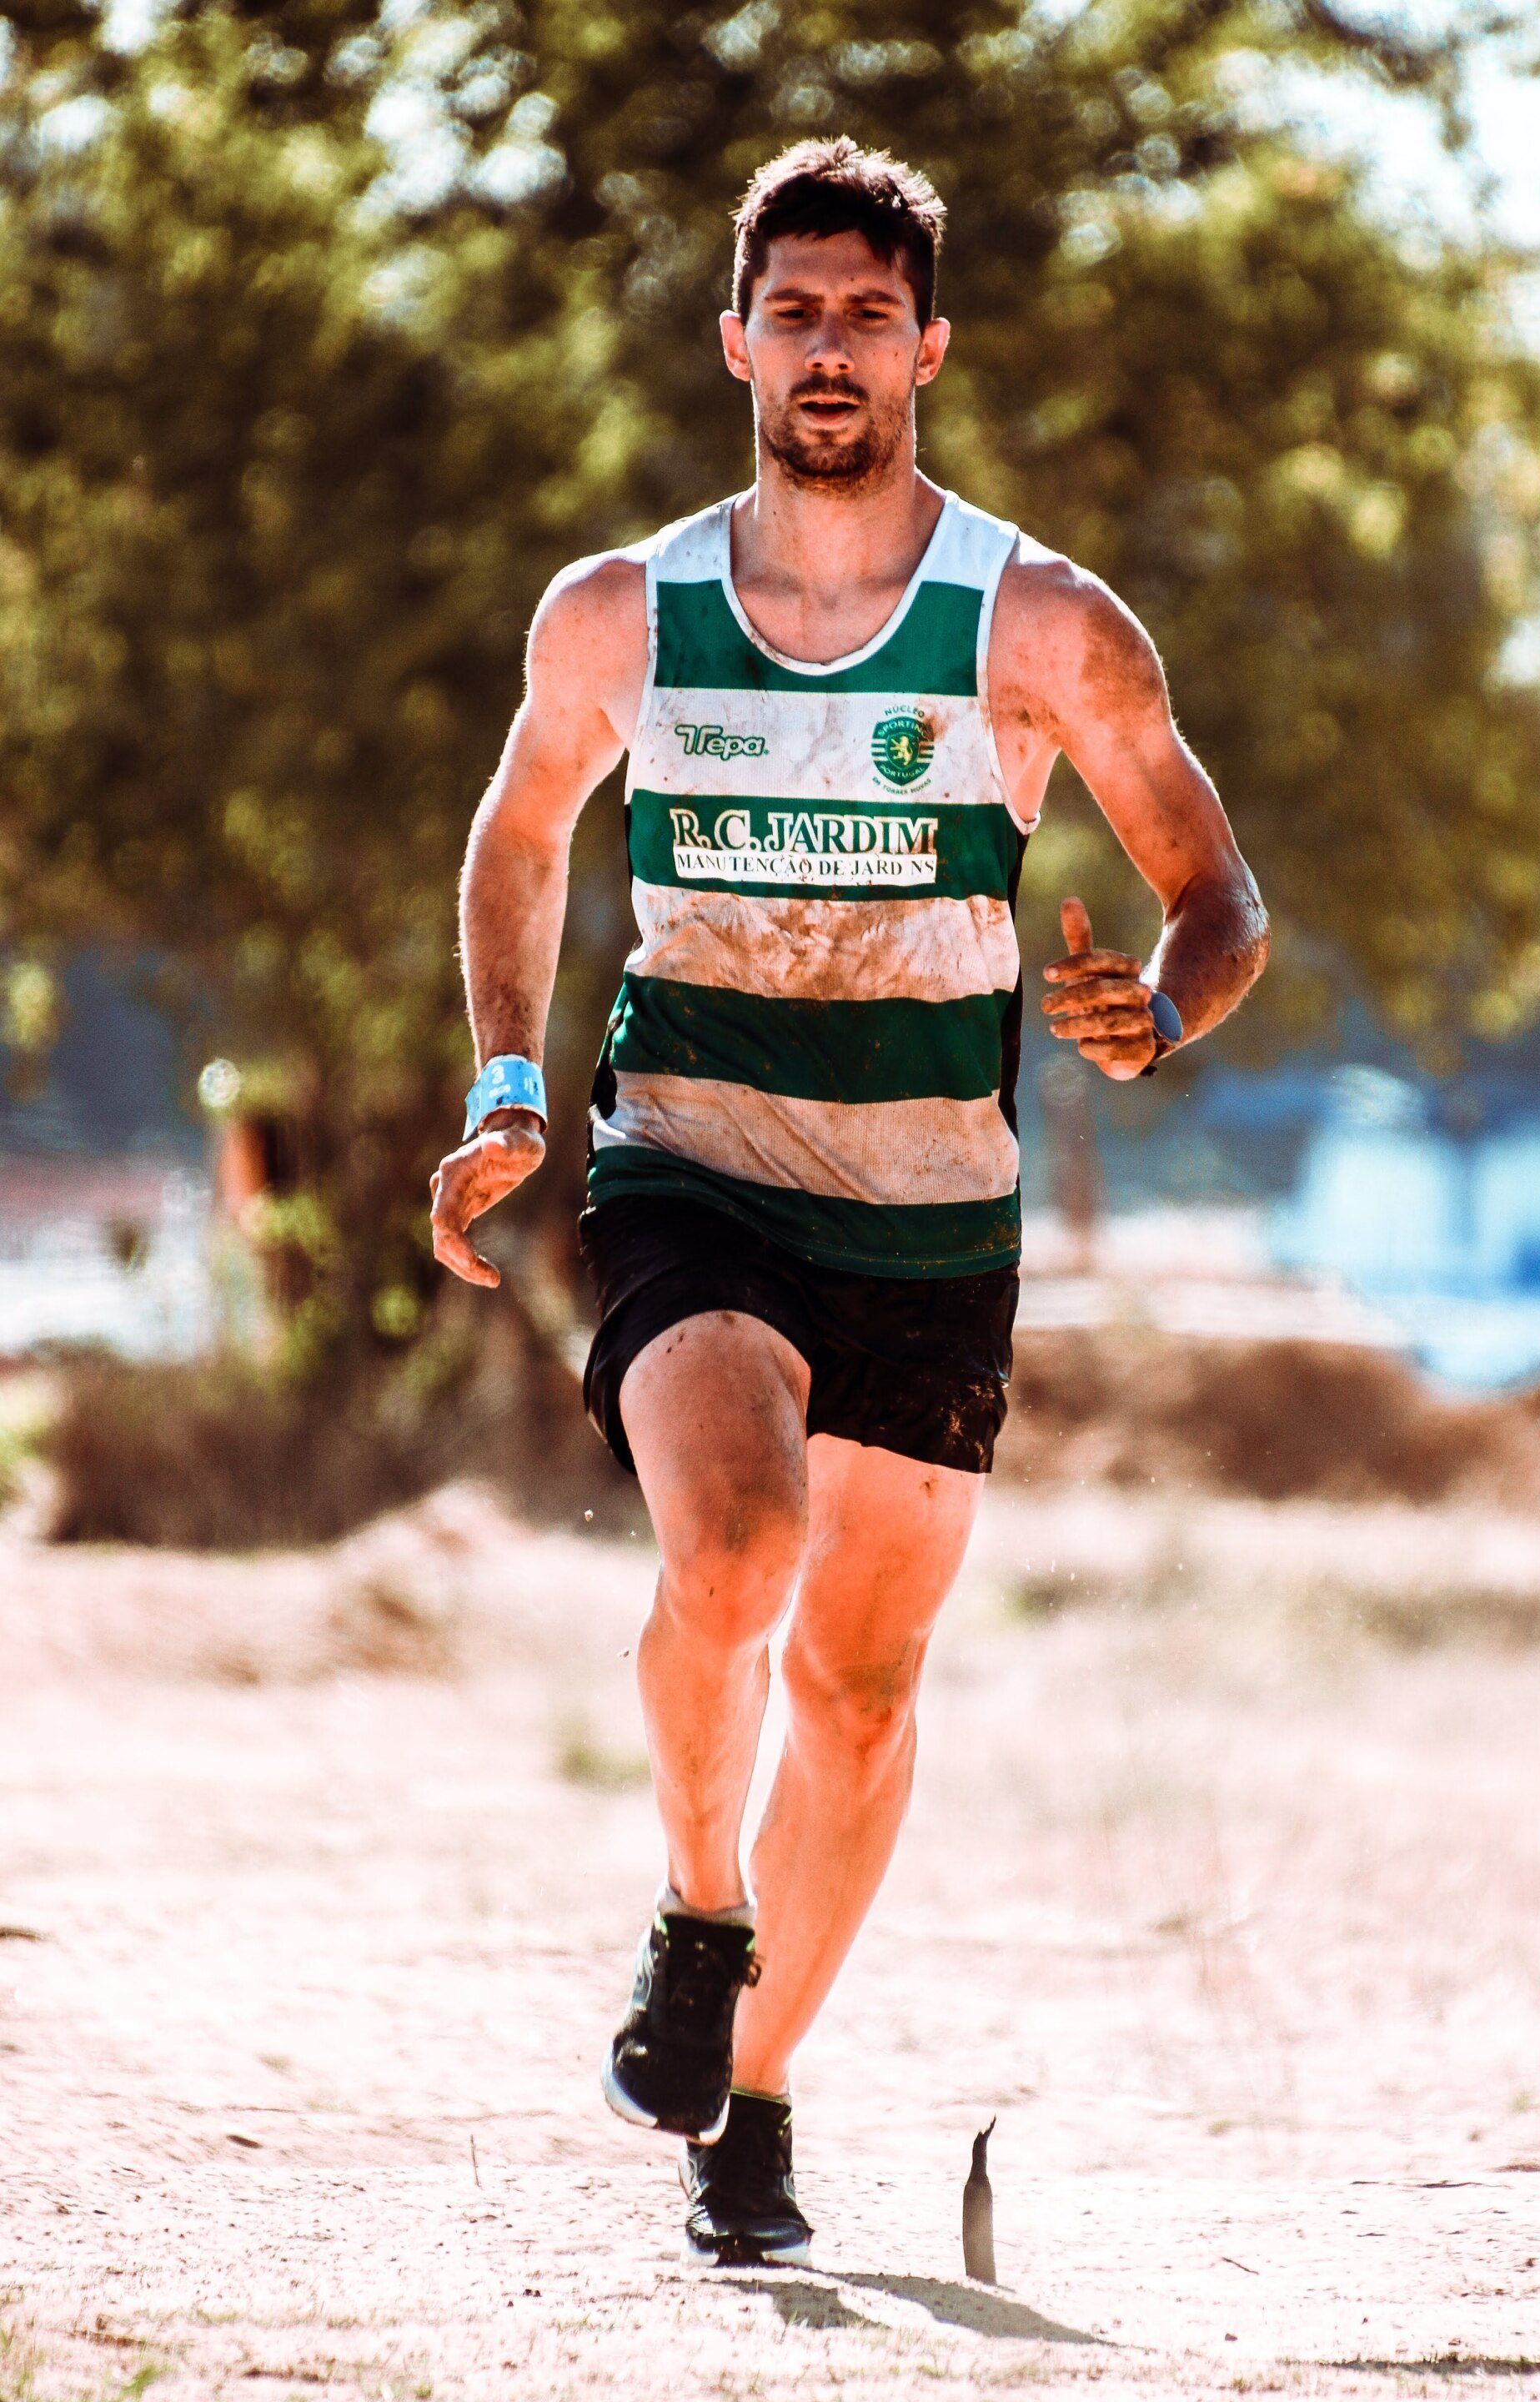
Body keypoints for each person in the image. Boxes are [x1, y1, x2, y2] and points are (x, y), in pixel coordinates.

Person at [429, 137, 1269, 2268]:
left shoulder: (1043, 622)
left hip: (934, 1213)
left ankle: (762, 2101)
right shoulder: (624, 612)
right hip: (690, 1162)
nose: (828, 348)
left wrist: (1152, 1022)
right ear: (734, 340)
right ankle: (699, 1915)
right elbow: (524, 839)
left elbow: (1219, 897)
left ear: (928, 347)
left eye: (866, 314)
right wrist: (513, 1077)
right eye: (791, 311)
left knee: (868, 1694)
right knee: (733, 1546)